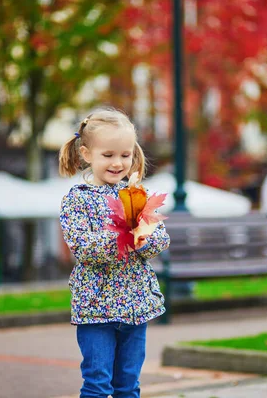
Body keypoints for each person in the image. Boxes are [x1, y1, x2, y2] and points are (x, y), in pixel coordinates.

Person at [58, 107, 170, 398]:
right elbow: (81, 247)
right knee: (97, 383)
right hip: (96, 307)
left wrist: (146, 240)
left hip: (136, 305)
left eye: (125, 155)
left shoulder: (135, 194)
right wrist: (121, 237)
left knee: (128, 385)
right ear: (86, 154)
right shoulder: (77, 199)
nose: (118, 163)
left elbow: (160, 237)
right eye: (108, 155)